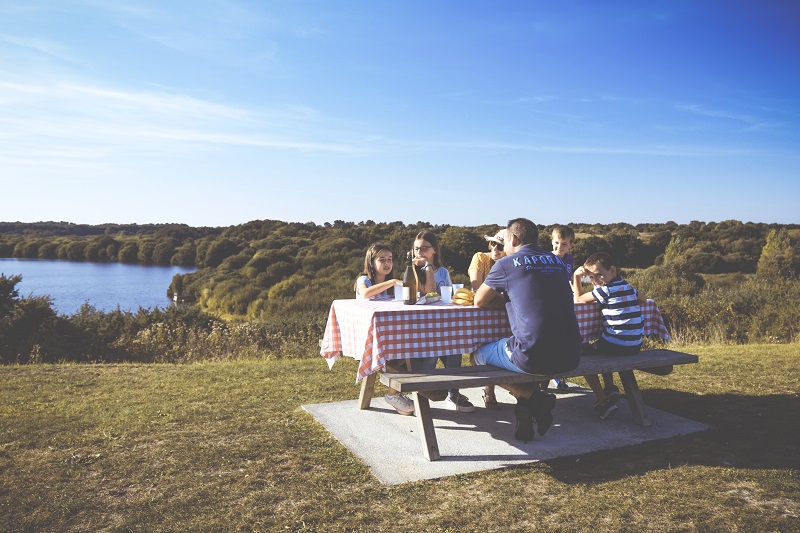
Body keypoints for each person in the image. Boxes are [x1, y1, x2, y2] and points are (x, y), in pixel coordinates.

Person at [473, 218, 582, 441]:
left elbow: (479, 301)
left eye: (504, 242)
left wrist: (508, 300)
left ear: (513, 239)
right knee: (523, 345)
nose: (503, 247)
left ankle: (532, 397)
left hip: (532, 356)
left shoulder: (505, 264)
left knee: (477, 356)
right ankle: (524, 409)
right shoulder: (557, 262)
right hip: (572, 354)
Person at [572, 252, 647, 420]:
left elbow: (578, 299)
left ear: (612, 270)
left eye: (599, 275)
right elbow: (643, 299)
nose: (595, 280)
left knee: (581, 353)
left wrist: (576, 277)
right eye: (591, 277)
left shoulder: (605, 290)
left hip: (616, 344)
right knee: (601, 345)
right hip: (635, 345)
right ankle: (610, 388)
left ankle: (603, 402)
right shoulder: (626, 286)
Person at [412, 230, 476, 412]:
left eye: (424, 248)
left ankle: (452, 394)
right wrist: (427, 267)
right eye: (416, 249)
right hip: (421, 325)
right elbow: (430, 292)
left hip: (442, 323)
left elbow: (448, 297)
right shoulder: (413, 271)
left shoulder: (443, 272)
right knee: (434, 349)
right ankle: (426, 390)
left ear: (434, 250)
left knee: (456, 349)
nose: (419, 252)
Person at [355, 243, 412, 415]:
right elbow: (365, 293)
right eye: (382, 260)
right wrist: (392, 282)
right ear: (371, 262)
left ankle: (393, 394)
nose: (387, 263)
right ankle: (394, 394)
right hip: (368, 335)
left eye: (390, 259)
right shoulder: (363, 280)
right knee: (408, 353)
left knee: (414, 350)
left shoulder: (392, 287)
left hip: (389, 332)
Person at [467, 229, 507, 408]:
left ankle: (522, 391)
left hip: (503, 312)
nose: (495, 248)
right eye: (493, 243)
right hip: (484, 312)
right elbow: (477, 287)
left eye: (501, 246)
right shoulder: (480, 258)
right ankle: (489, 391)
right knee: (483, 349)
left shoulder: (510, 263)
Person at [551, 225, 576, 392]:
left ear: (570, 245)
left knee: (564, 338)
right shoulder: (546, 258)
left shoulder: (569, 260)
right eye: (556, 243)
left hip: (565, 300)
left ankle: (559, 375)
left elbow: (568, 279)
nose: (559, 247)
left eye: (564, 244)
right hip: (550, 301)